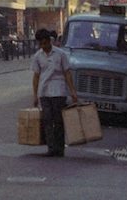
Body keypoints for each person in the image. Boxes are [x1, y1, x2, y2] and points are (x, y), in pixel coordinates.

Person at [30, 28, 78, 157]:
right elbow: (36, 76)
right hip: (44, 92)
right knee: (47, 120)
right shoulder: (38, 56)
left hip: (59, 91)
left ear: (50, 41)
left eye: (45, 43)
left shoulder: (60, 54)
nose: (44, 46)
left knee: (58, 120)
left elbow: (67, 73)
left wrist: (72, 92)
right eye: (41, 44)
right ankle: (51, 148)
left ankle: (59, 148)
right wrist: (35, 95)